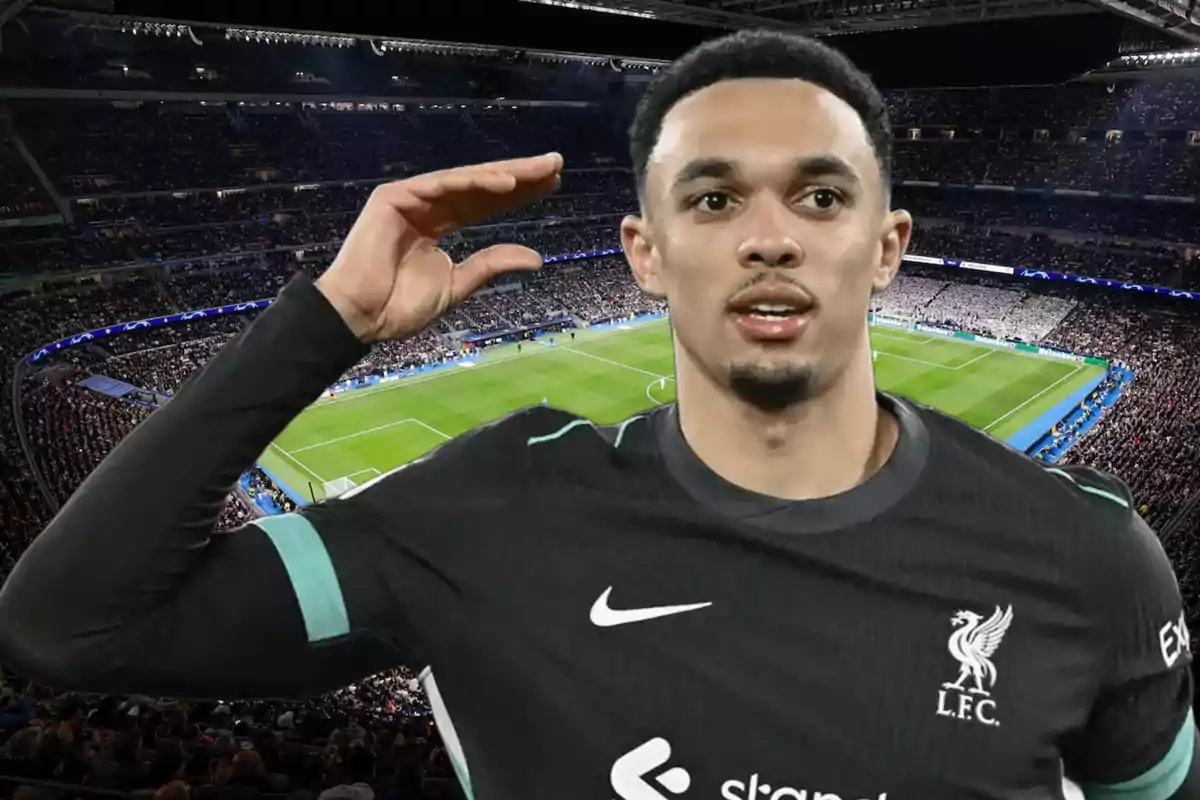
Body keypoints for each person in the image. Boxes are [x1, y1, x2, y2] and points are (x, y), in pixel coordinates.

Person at [0, 30, 1193, 800]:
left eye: (821, 195)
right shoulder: (479, 507)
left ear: (887, 252)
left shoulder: (1090, 555)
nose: (771, 234)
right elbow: (68, 625)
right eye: (713, 196)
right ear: (645, 253)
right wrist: (322, 319)